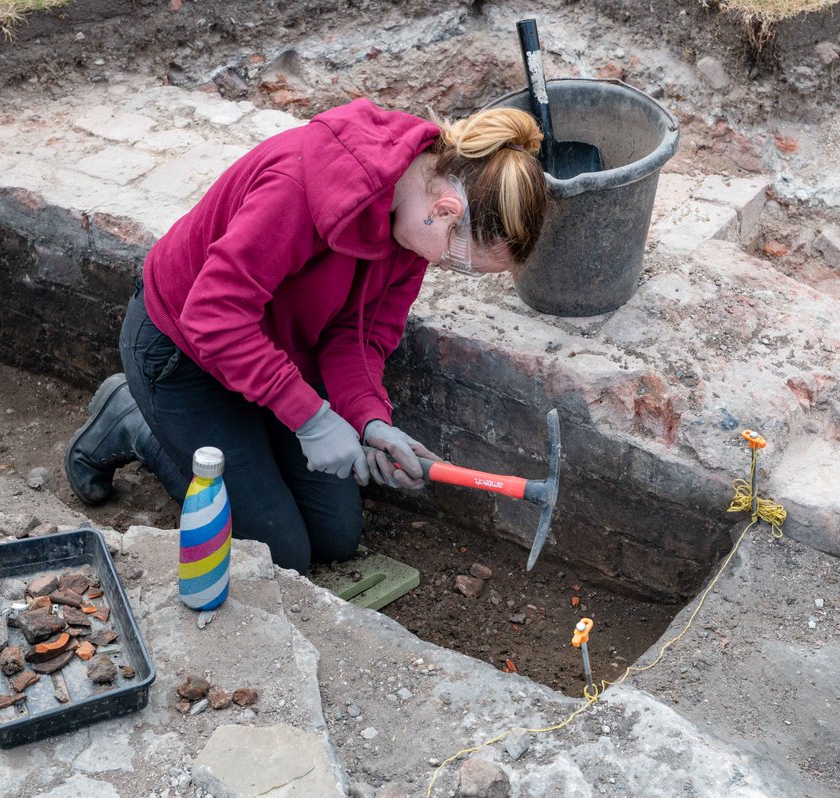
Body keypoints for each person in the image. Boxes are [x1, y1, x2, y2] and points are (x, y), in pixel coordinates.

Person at [64, 97, 548, 574]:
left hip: (269, 354)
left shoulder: (412, 231)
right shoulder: (298, 187)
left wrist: (369, 420)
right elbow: (213, 314)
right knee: (280, 554)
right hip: (184, 352)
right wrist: (311, 419)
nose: (444, 266)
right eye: (460, 262)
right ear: (444, 209)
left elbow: (359, 335)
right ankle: (134, 420)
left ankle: (245, 433)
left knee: (335, 536)